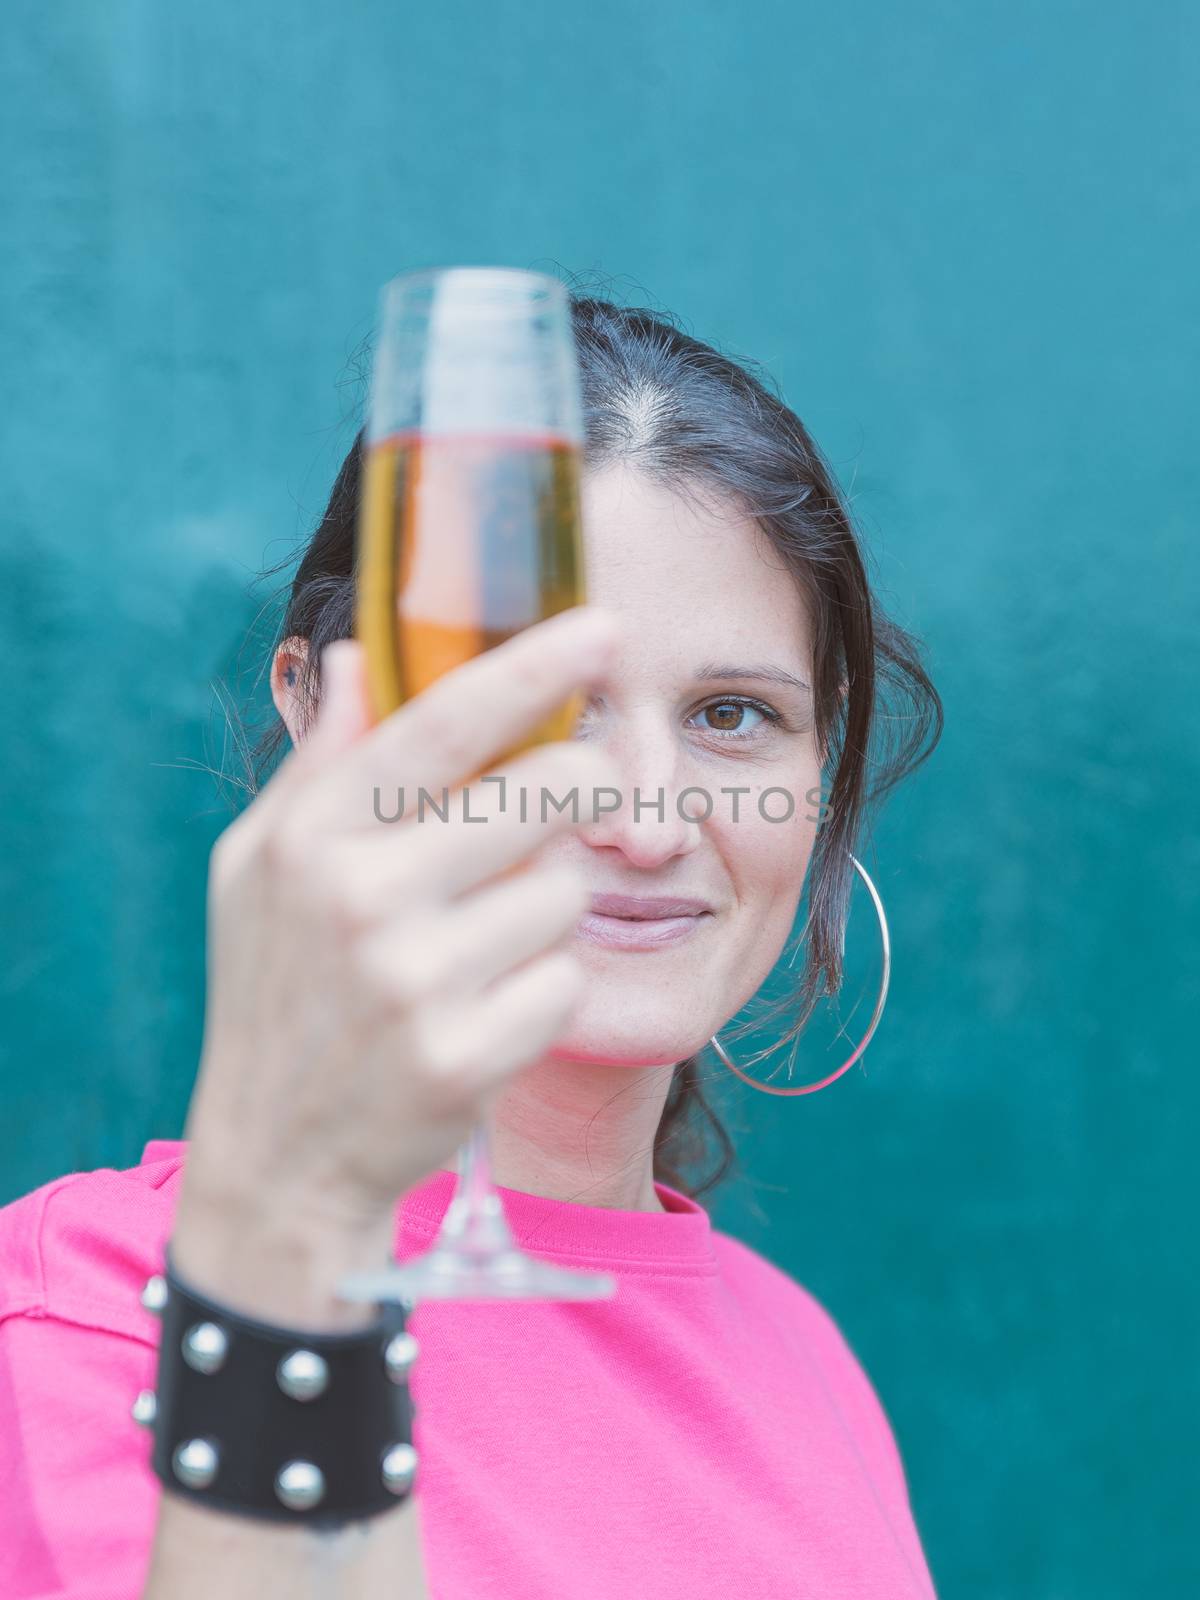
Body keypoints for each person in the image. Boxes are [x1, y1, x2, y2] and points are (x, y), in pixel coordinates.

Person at [0, 293, 944, 1598]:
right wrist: (297, 1243)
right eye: (548, 708)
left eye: (734, 714)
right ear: (323, 707)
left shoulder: (801, 1356)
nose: (648, 815)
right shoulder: (80, 1313)